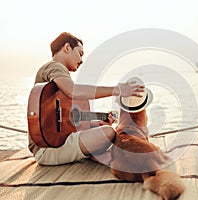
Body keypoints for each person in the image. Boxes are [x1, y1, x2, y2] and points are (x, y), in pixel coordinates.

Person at [28, 32, 144, 165]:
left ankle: (95, 154)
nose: (82, 60)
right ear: (67, 48)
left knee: (103, 130)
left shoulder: (57, 78)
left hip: (53, 144)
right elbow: (73, 91)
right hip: (48, 149)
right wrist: (117, 90)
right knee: (109, 132)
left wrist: (95, 124)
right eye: (80, 53)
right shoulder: (54, 67)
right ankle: (98, 155)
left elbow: (61, 123)